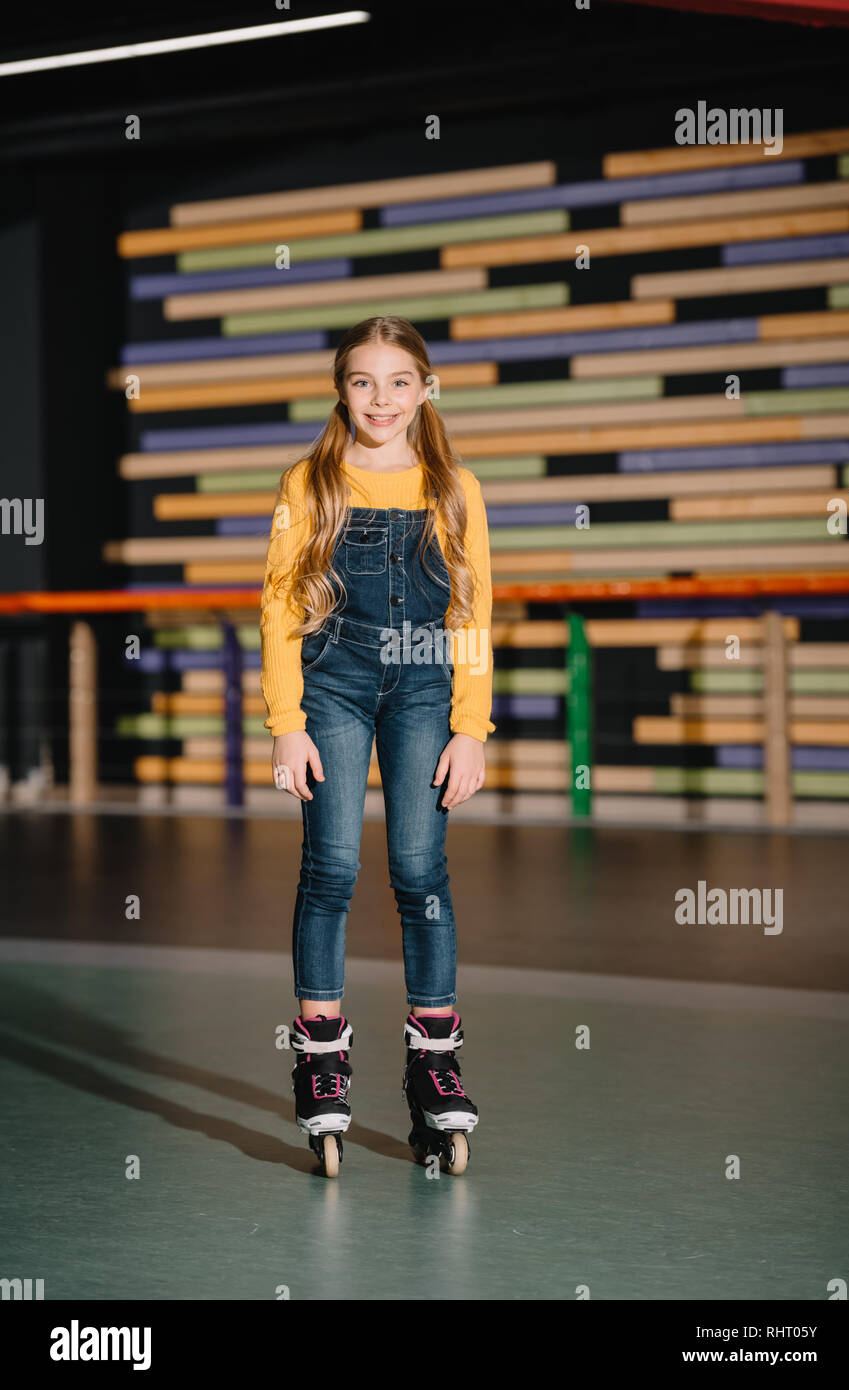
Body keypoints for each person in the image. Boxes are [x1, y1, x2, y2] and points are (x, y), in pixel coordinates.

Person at [259, 315, 496, 1175]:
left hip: (425, 687)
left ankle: (434, 1060)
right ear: (341, 389)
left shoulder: (453, 487)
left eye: (400, 381)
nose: (382, 399)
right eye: (364, 381)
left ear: (425, 389)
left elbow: (472, 614)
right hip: (333, 685)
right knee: (329, 869)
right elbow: (281, 607)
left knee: (419, 869)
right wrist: (285, 720)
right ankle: (320, 1056)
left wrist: (471, 727)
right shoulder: (310, 480)